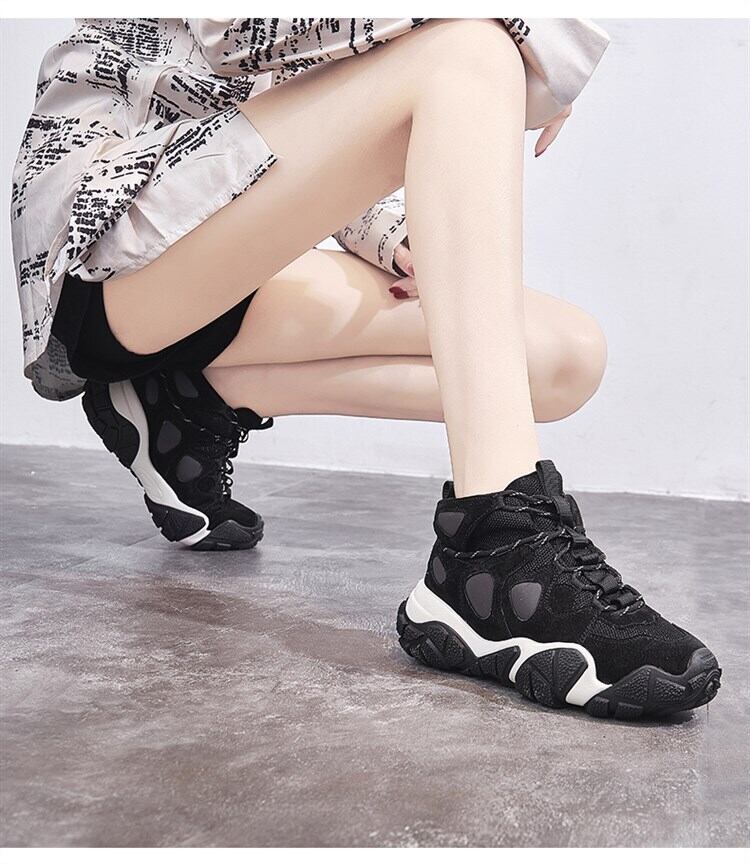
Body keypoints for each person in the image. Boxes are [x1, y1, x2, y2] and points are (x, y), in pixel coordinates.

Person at [11, 18, 721, 719]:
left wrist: (397, 235)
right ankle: (496, 546)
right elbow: (239, 34)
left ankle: (186, 394)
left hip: (224, 244)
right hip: (105, 236)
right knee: (470, 48)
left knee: (564, 357)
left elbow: (298, 118)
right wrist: (525, 30)